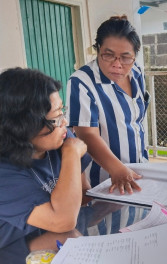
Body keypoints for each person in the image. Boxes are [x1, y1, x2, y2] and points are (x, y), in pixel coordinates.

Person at [0, 68, 92, 263]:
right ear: (24, 124)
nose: (64, 122)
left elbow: (84, 195)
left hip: (51, 231)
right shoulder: (4, 171)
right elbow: (63, 220)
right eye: (56, 116)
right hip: (9, 246)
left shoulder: (60, 137)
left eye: (62, 111)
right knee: (70, 240)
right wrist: (71, 153)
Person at [66, 15, 150, 194]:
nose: (117, 65)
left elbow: (135, 122)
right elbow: (86, 134)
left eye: (126, 57)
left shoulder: (136, 73)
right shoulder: (81, 82)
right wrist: (116, 169)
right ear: (97, 50)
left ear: (135, 56)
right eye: (108, 55)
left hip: (139, 168)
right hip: (105, 178)